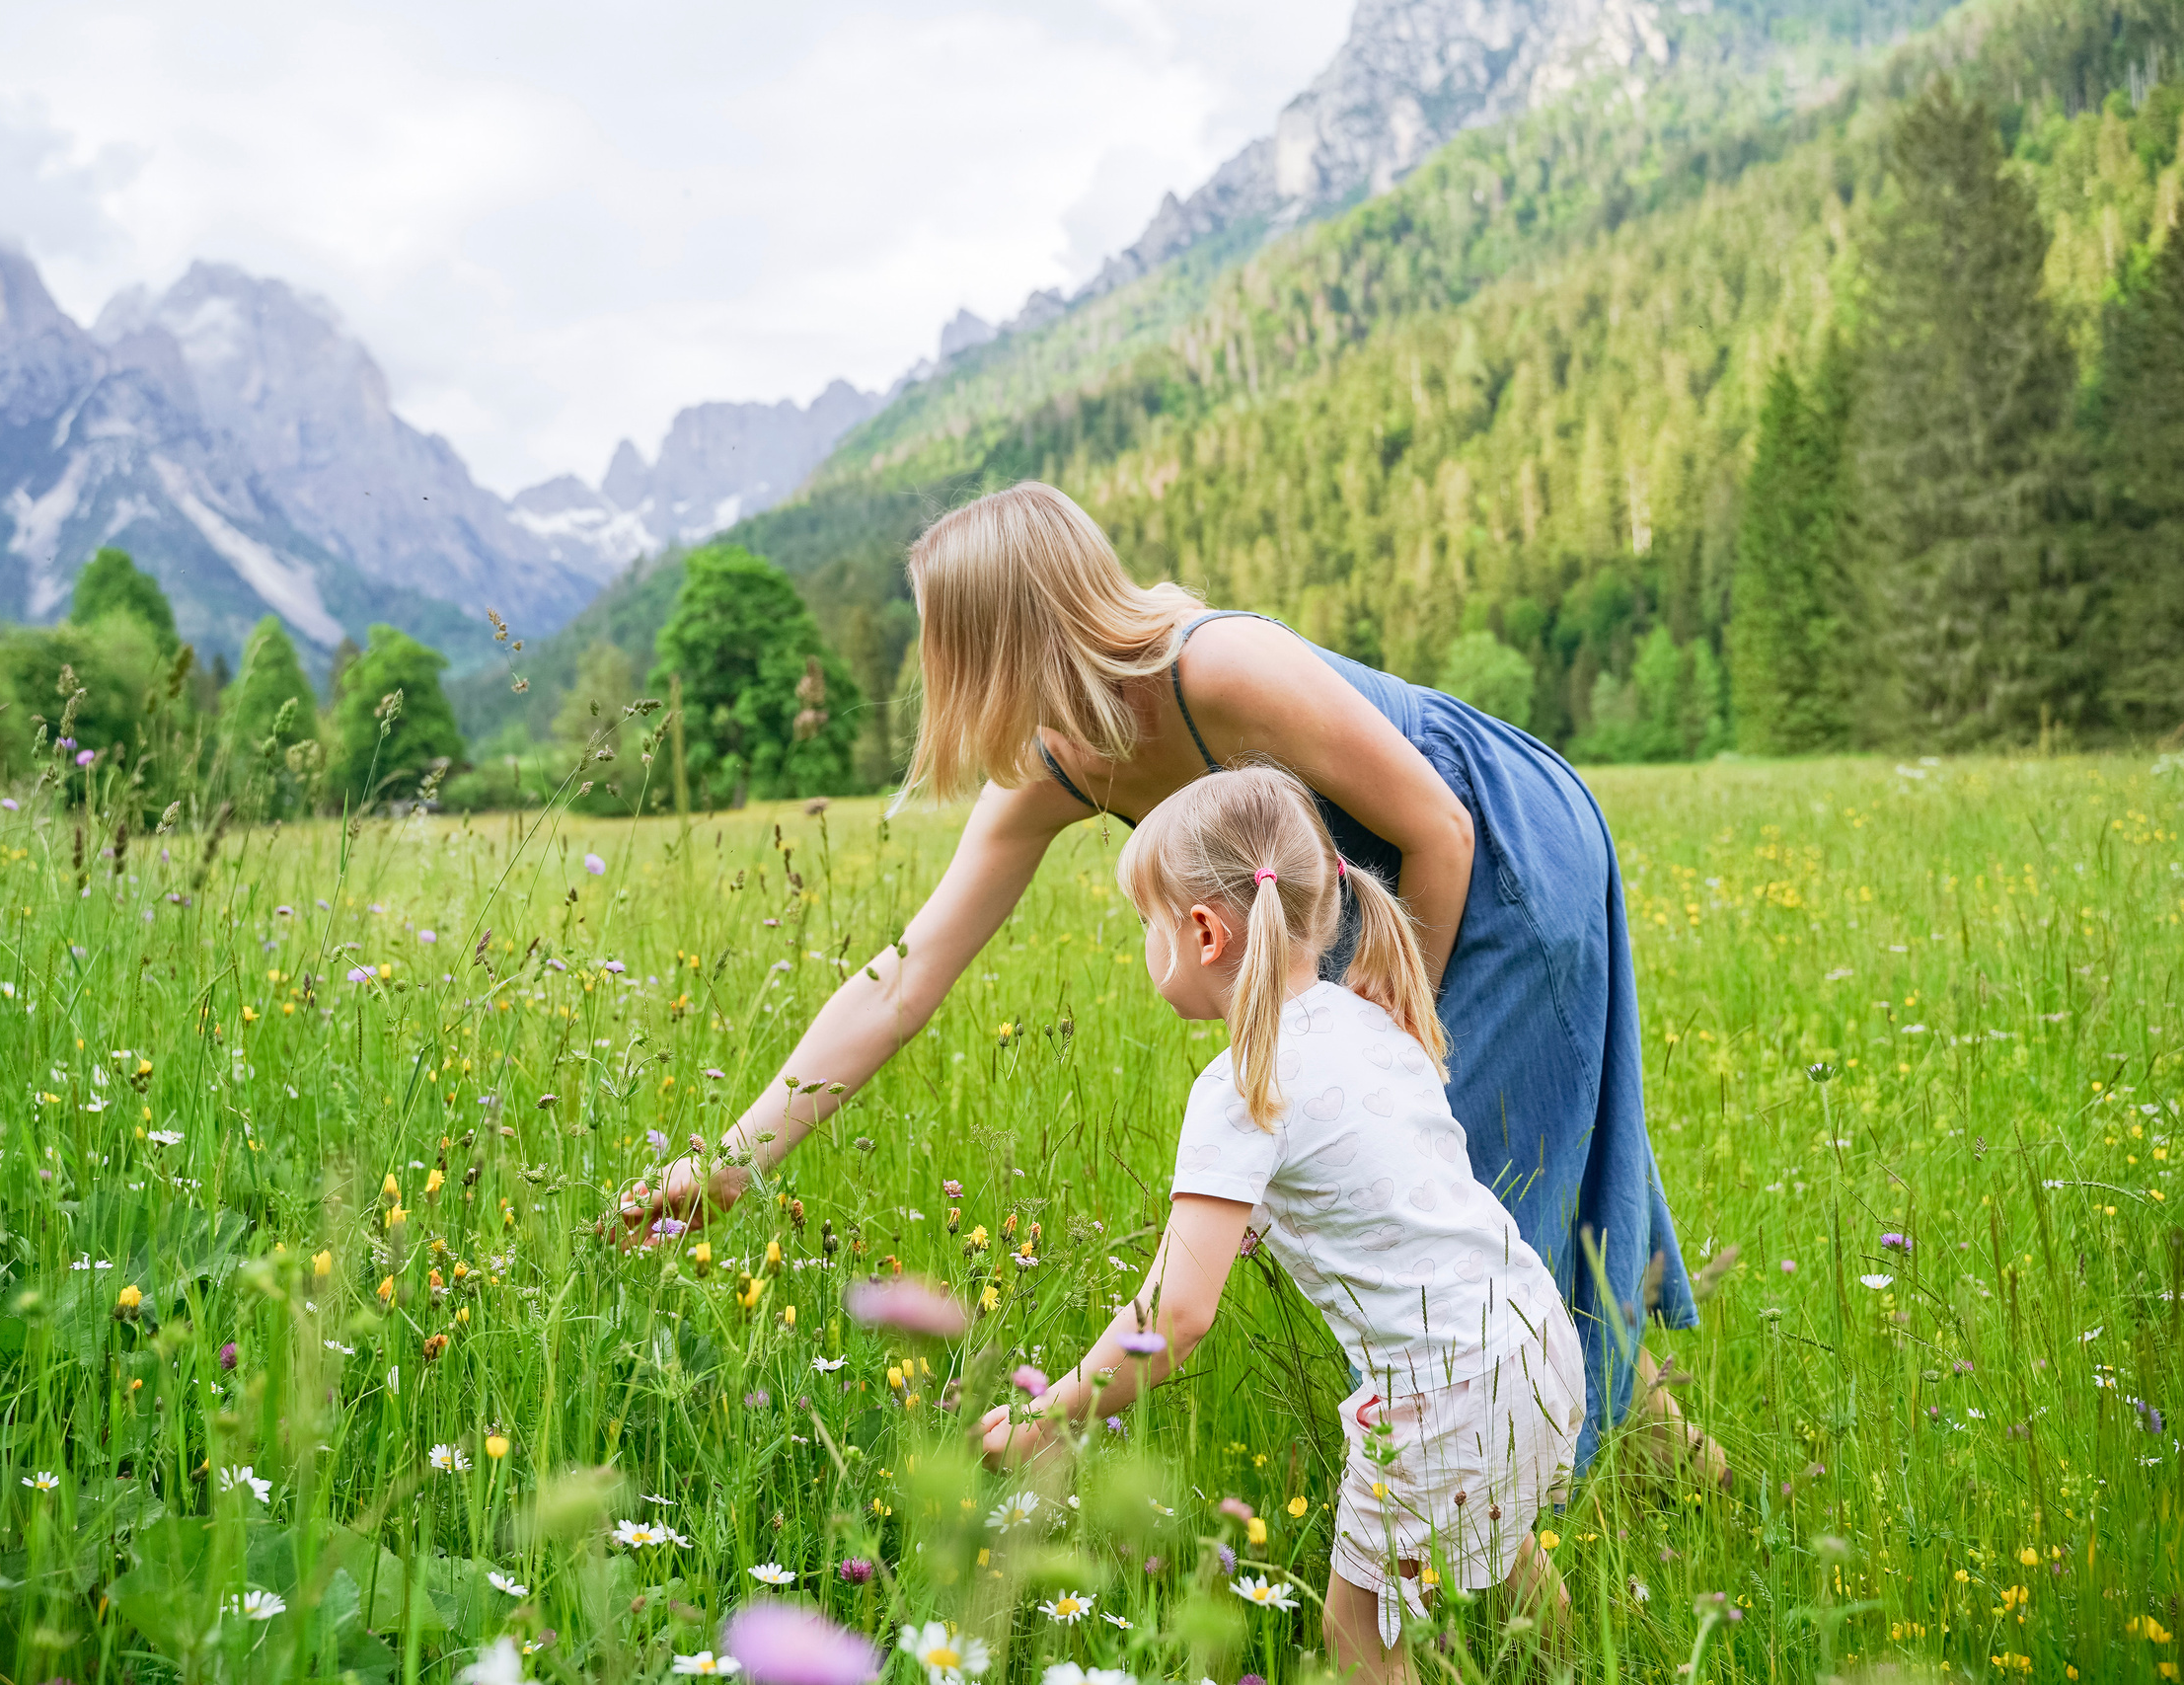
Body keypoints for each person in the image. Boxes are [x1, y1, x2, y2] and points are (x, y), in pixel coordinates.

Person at [628, 481, 1723, 1484]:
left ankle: (1510, 1555)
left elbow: (1437, 821)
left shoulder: (1217, 671)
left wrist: (1382, 1041)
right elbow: (900, 981)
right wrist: (731, 1166)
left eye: (943, 642)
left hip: (1491, 855)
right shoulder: (1058, 762)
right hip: (1355, 884)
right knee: (1455, 1227)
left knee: (1452, 1220)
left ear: (997, 639)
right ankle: (1684, 1473)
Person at [977, 765, 1579, 1675]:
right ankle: (1584, 1661)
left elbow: (1176, 1317)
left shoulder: (1238, 1087)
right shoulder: (1371, 1018)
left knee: (1355, 1636)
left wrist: (1052, 1416)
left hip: (1442, 1389)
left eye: (1148, 922)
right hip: (1531, 1340)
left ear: (1203, 933)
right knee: (1503, 1537)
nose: (1144, 943)